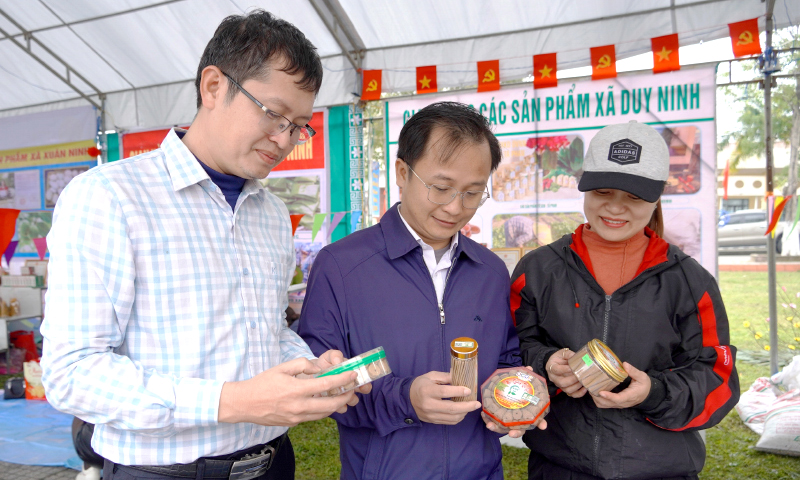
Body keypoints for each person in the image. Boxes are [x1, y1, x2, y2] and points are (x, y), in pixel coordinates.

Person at [41, 10, 366, 480]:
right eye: (274, 114)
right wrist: (231, 401)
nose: (284, 140)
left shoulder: (271, 214)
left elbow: (264, 331)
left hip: (272, 462)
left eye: (299, 125)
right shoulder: (109, 197)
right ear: (213, 86)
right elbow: (72, 373)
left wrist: (309, 365)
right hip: (163, 471)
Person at [298, 101, 544, 480]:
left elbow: (506, 360)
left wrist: (513, 400)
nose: (455, 207)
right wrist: (405, 398)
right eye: (441, 188)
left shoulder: (491, 272)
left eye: (473, 193)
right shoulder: (342, 267)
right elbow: (318, 382)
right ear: (402, 172)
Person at [512, 121, 740, 480]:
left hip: (661, 471)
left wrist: (653, 392)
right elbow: (511, 350)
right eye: (603, 191)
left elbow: (718, 382)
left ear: (657, 197)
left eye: (634, 196)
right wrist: (546, 364)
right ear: (584, 187)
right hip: (559, 469)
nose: (616, 208)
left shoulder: (689, 281)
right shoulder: (537, 270)